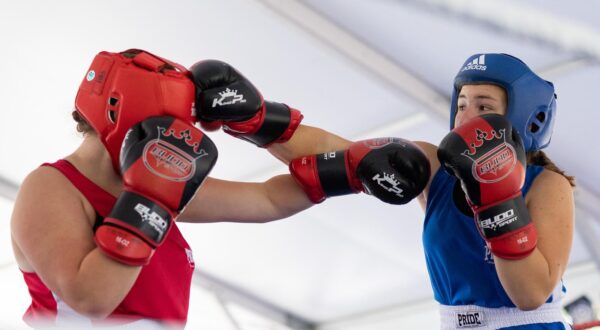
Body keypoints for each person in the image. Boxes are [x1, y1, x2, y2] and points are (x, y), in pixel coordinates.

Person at [10, 49, 431, 328]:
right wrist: (150, 198)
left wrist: (350, 171)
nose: (179, 138)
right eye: (171, 125)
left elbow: (266, 199)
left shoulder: (155, 184)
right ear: (125, 116)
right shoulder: (50, 188)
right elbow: (91, 298)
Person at [199, 53, 575, 329]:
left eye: (484, 105)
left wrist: (496, 197)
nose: (466, 116)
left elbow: (529, 295)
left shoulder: (548, 186)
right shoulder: (434, 168)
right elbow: (348, 156)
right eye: (461, 104)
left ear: (523, 117)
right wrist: (256, 119)